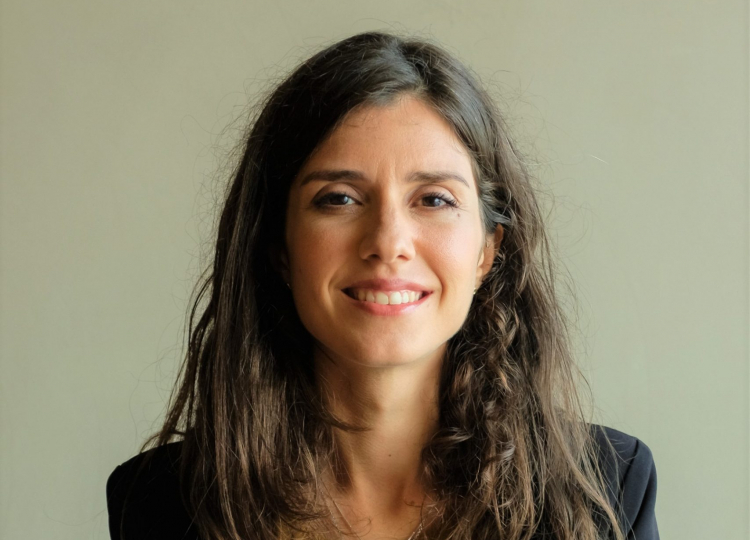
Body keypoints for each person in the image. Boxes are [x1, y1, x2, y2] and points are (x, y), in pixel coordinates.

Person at [106, 31, 659, 540]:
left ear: (487, 251)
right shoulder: (158, 505)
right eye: (339, 199)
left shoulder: (608, 488)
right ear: (279, 247)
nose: (388, 242)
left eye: (434, 199)